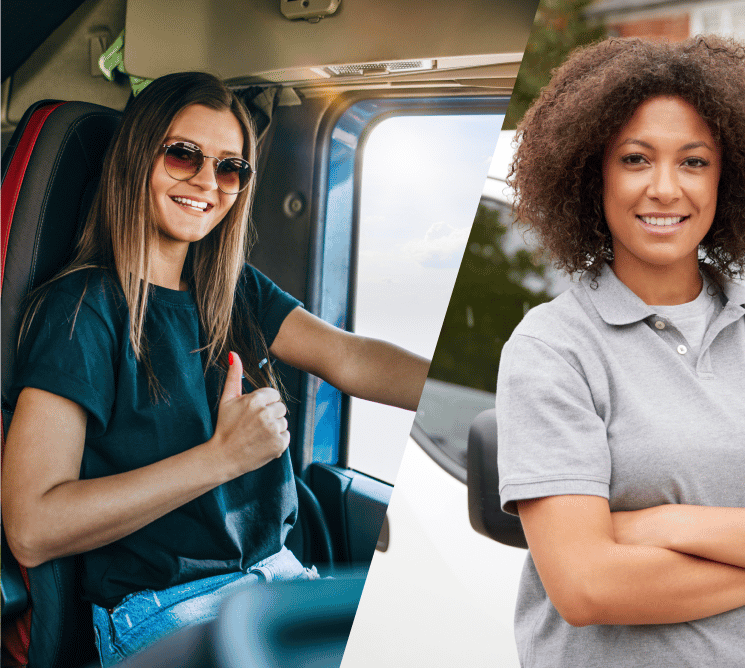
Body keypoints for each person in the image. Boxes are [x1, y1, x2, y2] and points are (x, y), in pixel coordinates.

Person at [1, 72, 429, 665]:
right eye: (184, 155)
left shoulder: (232, 291)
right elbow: (31, 524)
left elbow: (349, 356)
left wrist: (479, 391)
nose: (207, 181)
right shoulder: (83, 310)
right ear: (135, 160)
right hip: (164, 608)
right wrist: (220, 459)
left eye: (230, 167)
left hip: (277, 582)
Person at [493, 37, 745, 668]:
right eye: (635, 159)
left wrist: (668, 524)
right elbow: (586, 587)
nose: (665, 188)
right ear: (591, 172)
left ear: (728, 175)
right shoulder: (552, 347)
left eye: (693, 162)